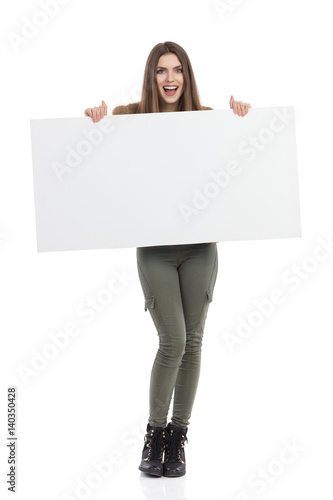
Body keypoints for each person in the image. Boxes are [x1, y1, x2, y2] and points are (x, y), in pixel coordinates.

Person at [84, 41, 251, 478]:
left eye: (177, 70)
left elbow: (241, 158)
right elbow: (95, 156)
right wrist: (95, 123)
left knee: (193, 341)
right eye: (162, 71)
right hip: (155, 251)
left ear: (187, 76)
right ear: (151, 76)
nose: (170, 78)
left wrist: (242, 121)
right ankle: (154, 433)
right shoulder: (130, 117)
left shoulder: (208, 119)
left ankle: (177, 440)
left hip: (201, 248)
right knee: (172, 341)